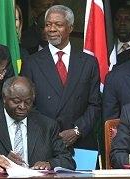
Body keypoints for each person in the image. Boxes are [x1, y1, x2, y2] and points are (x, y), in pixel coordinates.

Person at [21, 5, 101, 150]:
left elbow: (95, 104)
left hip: (81, 142)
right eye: (48, 25)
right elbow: (27, 105)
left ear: (70, 27)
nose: (51, 29)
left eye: (58, 25)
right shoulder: (31, 63)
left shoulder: (88, 62)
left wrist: (77, 131)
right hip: (44, 141)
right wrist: (51, 132)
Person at [0, 76, 76, 170]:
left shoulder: (47, 126)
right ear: (4, 98)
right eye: (16, 101)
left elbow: (68, 162)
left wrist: (50, 164)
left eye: (28, 102)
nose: (22, 106)